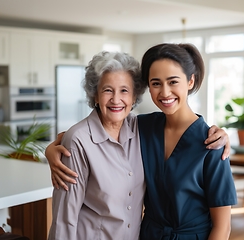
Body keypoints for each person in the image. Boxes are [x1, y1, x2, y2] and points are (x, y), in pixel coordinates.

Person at [47, 50, 231, 240]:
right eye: (107, 90)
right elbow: (64, 219)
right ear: (95, 95)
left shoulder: (141, 128)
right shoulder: (83, 139)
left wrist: (223, 135)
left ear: (135, 96)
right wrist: (52, 148)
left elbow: (223, 227)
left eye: (124, 90)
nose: (116, 99)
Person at [137, 43, 237, 239]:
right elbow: (98, 131)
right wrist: (58, 144)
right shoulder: (142, 128)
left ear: (191, 81)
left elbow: (223, 228)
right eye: (156, 83)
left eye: (173, 82)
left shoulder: (212, 144)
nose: (165, 93)